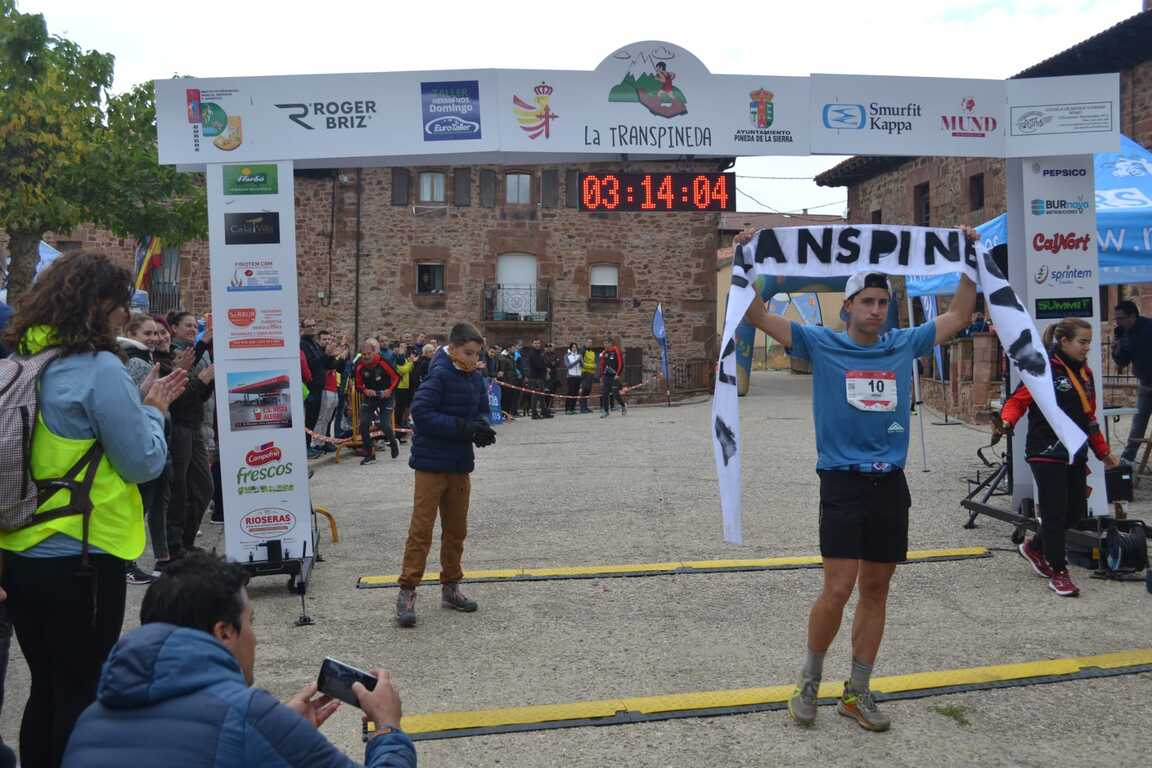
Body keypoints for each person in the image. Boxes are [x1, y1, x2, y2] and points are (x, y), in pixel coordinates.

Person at [741, 246, 978, 733]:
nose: (876, 310)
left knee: (875, 588)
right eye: (867, 302)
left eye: (882, 302)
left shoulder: (903, 343)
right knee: (837, 588)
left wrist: (970, 262)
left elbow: (958, 315)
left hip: (889, 483)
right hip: (842, 481)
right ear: (848, 306)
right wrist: (747, 258)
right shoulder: (820, 342)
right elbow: (756, 314)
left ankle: (857, 691)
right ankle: (809, 681)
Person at [1, 252, 186, 768]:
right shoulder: (99, 368)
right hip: (83, 554)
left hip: (18, 551)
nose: (126, 314)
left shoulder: (18, 365)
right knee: (82, 690)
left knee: (45, 686)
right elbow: (142, 462)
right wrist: (153, 411)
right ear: (99, 305)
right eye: (121, 303)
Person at [62, 553, 416, 767]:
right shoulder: (250, 716)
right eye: (250, 622)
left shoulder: (90, 721)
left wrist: (276, 738)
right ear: (224, 633)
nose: (255, 638)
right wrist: (388, 727)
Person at [998, 318, 1118, 597]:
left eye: (1089, 342)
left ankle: (1034, 547)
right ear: (1064, 342)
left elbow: (1089, 418)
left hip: (1075, 451)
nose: (1087, 348)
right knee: (1054, 513)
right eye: (1082, 342)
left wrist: (1103, 452)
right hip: (1045, 451)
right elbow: (1017, 400)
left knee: (1074, 513)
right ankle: (1059, 572)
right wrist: (1006, 421)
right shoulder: (1043, 369)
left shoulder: (1085, 373)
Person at [395, 322, 495, 628]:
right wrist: (463, 428)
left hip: (459, 464)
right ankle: (407, 590)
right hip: (431, 464)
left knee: (456, 530)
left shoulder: (475, 377)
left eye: (477, 354)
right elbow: (421, 414)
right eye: (468, 353)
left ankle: (451, 586)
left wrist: (481, 427)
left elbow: (482, 410)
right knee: (421, 529)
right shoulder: (438, 374)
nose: (473, 359)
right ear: (452, 348)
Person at [119, 314, 174, 584]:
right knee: (142, 506)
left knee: (155, 503)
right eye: (147, 333)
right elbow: (135, 403)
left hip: (156, 437)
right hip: (146, 440)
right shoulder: (137, 362)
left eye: (156, 333)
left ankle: (161, 558)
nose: (154, 338)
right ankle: (126, 563)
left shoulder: (145, 359)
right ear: (131, 333)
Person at [166, 311, 216, 557]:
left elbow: (199, 394)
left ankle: (186, 541)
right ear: (173, 328)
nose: (192, 329)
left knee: (204, 488)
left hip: (196, 425)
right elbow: (178, 397)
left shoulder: (195, 352)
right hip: (179, 427)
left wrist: (206, 382)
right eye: (188, 325)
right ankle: (175, 547)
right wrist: (201, 381)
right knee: (180, 491)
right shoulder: (173, 354)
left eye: (195, 326)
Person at [1111, 300, 1152, 465]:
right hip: (1145, 384)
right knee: (1138, 423)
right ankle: (1128, 458)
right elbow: (1123, 361)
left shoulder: (1149, 328)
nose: (1118, 322)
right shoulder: (1122, 332)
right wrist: (1115, 350)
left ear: (1132, 316)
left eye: (1121, 318)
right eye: (1116, 319)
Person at [354, 338, 401, 466]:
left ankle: (393, 442)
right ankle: (369, 454)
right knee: (363, 424)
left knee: (384, 424)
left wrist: (389, 390)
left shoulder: (382, 362)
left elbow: (397, 377)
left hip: (386, 396)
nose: (366, 357)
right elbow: (358, 385)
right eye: (363, 354)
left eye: (369, 354)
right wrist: (365, 390)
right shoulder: (359, 366)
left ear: (374, 352)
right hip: (371, 397)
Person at [393, 347, 417, 444]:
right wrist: (411, 362)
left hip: (405, 387)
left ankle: (399, 434)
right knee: (398, 411)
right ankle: (396, 434)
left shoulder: (404, 360)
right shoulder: (396, 360)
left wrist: (410, 362)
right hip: (399, 387)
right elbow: (403, 370)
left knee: (402, 411)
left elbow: (409, 369)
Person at [598, 336, 626, 417]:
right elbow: (602, 365)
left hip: (614, 376)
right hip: (606, 376)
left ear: (610, 343)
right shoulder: (604, 353)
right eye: (604, 343)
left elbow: (621, 363)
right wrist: (601, 376)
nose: (605, 345)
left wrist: (618, 374)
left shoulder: (616, 350)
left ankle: (623, 406)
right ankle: (606, 411)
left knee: (615, 393)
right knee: (605, 393)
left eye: (606, 343)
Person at [578, 337, 597, 414]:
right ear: (585, 343)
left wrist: (592, 366)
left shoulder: (592, 352)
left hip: (591, 373)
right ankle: (582, 408)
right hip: (585, 373)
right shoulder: (582, 350)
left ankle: (585, 406)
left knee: (588, 390)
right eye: (588, 342)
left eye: (591, 342)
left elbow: (594, 363)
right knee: (584, 389)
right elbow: (581, 363)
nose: (590, 344)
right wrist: (591, 366)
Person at [564, 342, 582, 414]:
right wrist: (577, 361)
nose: (574, 348)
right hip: (571, 376)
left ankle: (572, 408)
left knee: (575, 393)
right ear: (570, 348)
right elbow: (568, 366)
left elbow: (582, 365)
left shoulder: (579, 355)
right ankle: (567, 409)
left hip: (578, 376)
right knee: (570, 392)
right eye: (573, 347)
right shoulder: (567, 356)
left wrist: (581, 361)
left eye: (575, 347)